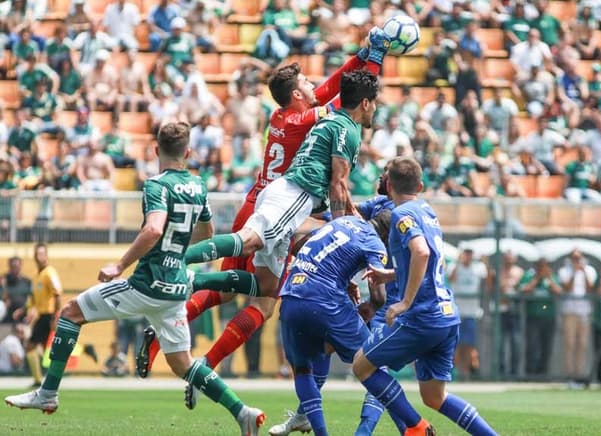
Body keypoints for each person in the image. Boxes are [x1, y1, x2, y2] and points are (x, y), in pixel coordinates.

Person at [136, 29, 390, 389]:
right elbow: (346, 99)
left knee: (227, 291)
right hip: (280, 204)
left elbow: (335, 85)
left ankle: (162, 334)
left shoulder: (282, 117)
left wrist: (363, 53)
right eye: (306, 83)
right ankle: (206, 362)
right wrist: (372, 59)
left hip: (255, 200)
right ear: (298, 94)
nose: (314, 85)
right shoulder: (303, 119)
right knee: (266, 301)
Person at [4, 123, 266, 435]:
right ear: (189, 153)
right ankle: (242, 412)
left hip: (147, 284)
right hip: (175, 290)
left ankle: (47, 393)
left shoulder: (156, 186)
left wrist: (120, 264)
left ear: (156, 150)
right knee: (182, 363)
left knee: (71, 313)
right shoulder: (199, 187)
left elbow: (154, 229)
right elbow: (206, 233)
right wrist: (178, 252)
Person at [354, 157, 497, 436]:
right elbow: (425, 262)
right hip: (447, 316)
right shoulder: (426, 209)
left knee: (362, 364)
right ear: (419, 185)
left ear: (389, 185)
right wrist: (391, 275)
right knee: (434, 397)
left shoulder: (401, 214)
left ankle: (416, 428)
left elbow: (421, 252)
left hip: (423, 317)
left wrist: (405, 302)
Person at [277, 212, 391, 436]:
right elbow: (379, 296)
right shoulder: (374, 241)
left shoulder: (341, 221)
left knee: (303, 369)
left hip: (291, 294)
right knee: (377, 365)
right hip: (325, 300)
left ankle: (314, 427)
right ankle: (367, 432)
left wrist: (342, 277)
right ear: (387, 234)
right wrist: (371, 307)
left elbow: (298, 246)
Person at [8, 244, 61, 387]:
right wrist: (23, 310)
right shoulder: (37, 275)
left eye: (42, 254)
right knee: (35, 348)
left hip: (48, 316)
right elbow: (34, 300)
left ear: (47, 255)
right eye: (38, 254)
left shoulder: (50, 273)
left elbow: (57, 294)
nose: (40, 257)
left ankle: (39, 380)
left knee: (33, 347)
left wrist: (55, 317)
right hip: (41, 316)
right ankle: (40, 380)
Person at [558, 249, 597, 386]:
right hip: (570, 311)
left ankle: (579, 375)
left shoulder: (590, 270)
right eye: (574, 258)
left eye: (579, 257)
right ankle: (570, 375)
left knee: (582, 344)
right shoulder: (565, 271)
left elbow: (591, 288)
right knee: (569, 343)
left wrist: (583, 271)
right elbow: (566, 287)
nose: (577, 260)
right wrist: (574, 272)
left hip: (584, 312)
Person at [448, 247, 488, 380]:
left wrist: (487, 264)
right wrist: (459, 263)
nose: (468, 256)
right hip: (457, 311)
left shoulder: (479, 268)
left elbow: (489, 283)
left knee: (469, 345)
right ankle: (458, 372)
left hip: (472, 312)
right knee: (456, 345)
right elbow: (450, 279)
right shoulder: (454, 266)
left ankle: (467, 371)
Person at [519, 258, 562, 376]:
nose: (542, 268)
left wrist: (548, 278)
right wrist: (537, 278)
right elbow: (524, 290)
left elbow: (558, 291)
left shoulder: (551, 277)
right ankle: (530, 373)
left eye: (544, 266)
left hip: (548, 317)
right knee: (532, 346)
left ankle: (543, 374)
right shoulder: (530, 276)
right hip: (533, 316)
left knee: (546, 347)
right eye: (540, 266)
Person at [2, 256, 32, 323]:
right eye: (12, 266)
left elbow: (32, 301)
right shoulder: (4, 280)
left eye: (16, 266)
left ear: (21, 266)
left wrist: (22, 310)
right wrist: (4, 285)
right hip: (6, 319)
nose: (14, 269)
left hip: (22, 318)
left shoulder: (27, 281)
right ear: (9, 267)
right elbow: (3, 299)